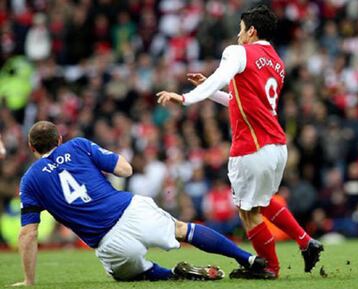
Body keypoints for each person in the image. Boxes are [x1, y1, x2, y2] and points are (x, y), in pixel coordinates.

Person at [157, 5, 323, 279]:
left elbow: (221, 77)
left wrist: (186, 97)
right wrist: (209, 90)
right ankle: (306, 242)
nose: (238, 35)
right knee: (263, 200)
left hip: (251, 147)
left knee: (248, 212)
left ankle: (270, 268)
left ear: (252, 31)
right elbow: (241, 101)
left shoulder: (238, 52)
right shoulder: (277, 63)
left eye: (241, 29)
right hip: (276, 145)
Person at [12, 121, 266, 286]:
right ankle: (249, 260)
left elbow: (28, 233)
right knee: (182, 229)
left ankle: (174, 274)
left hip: (108, 241)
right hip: (130, 209)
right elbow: (125, 170)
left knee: (133, 273)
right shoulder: (77, 145)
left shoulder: (30, 180)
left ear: (32, 147)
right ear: (59, 140)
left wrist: (29, 281)